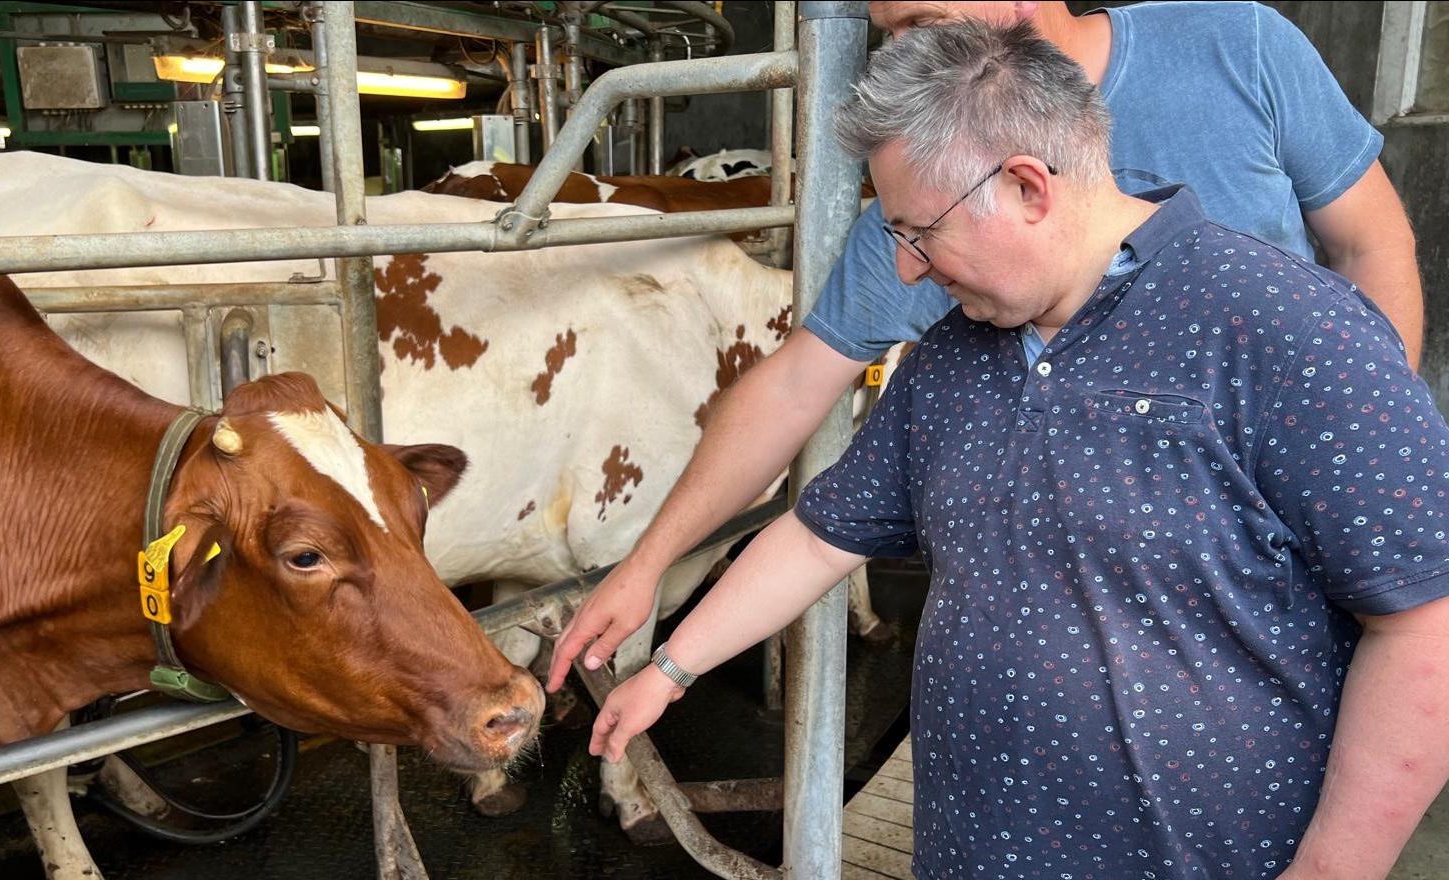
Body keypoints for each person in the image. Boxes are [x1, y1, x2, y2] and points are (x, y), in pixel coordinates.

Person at [587, 21, 1449, 879]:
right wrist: (670, 667)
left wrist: (1335, 869)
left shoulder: (1284, 328)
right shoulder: (955, 358)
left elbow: (1425, 623)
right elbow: (821, 535)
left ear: (1030, 187)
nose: (912, 270)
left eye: (919, 233)